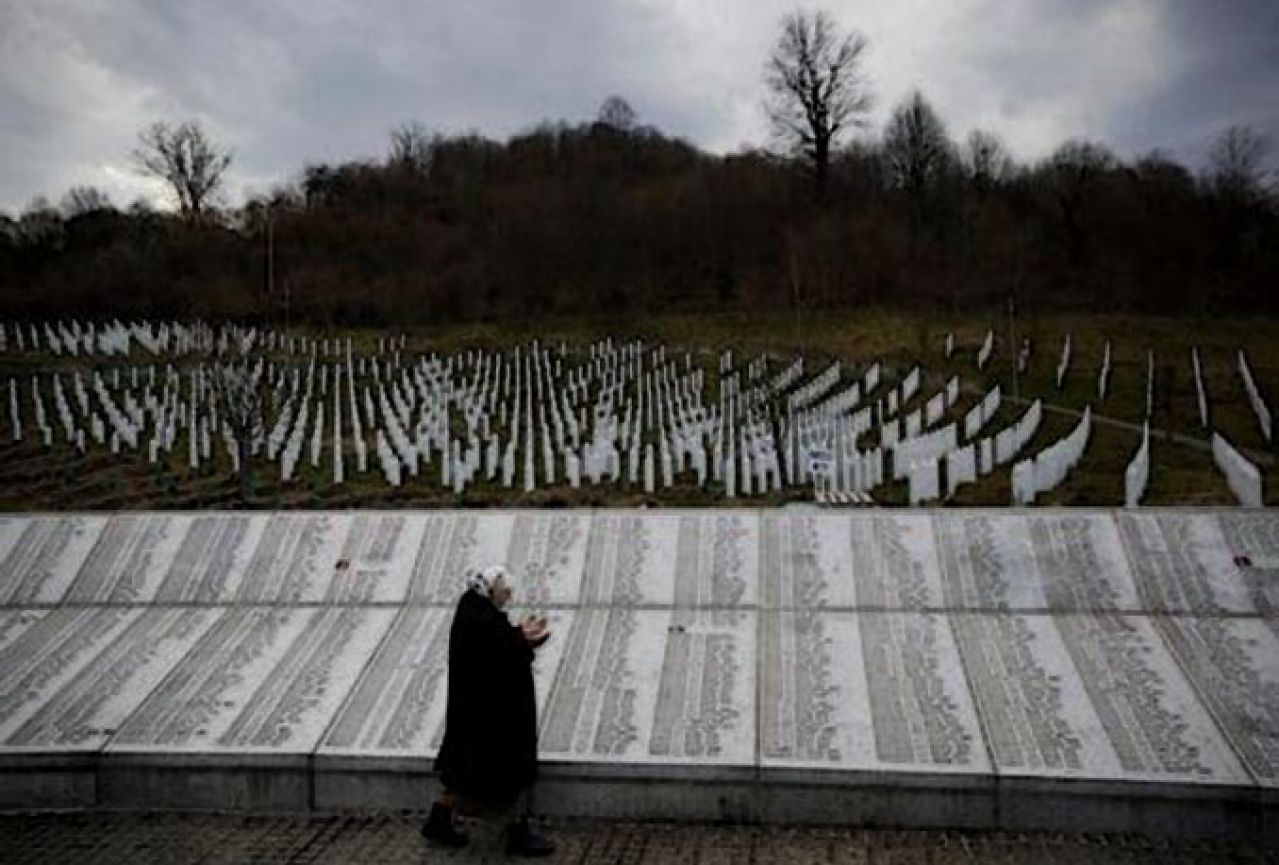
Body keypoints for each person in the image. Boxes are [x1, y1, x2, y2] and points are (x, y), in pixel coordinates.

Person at [422, 564, 555, 857]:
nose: (508, 596)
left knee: (464, 777)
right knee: (508, 774)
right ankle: (517, 831)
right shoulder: (480, 618)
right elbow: (498, 652)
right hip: (492, 719)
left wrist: (519, 636)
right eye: (504, 590)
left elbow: (497, 644)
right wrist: (525, 640)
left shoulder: (475, 612)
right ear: (490, 588)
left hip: (477, 716)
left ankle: (439, 820)